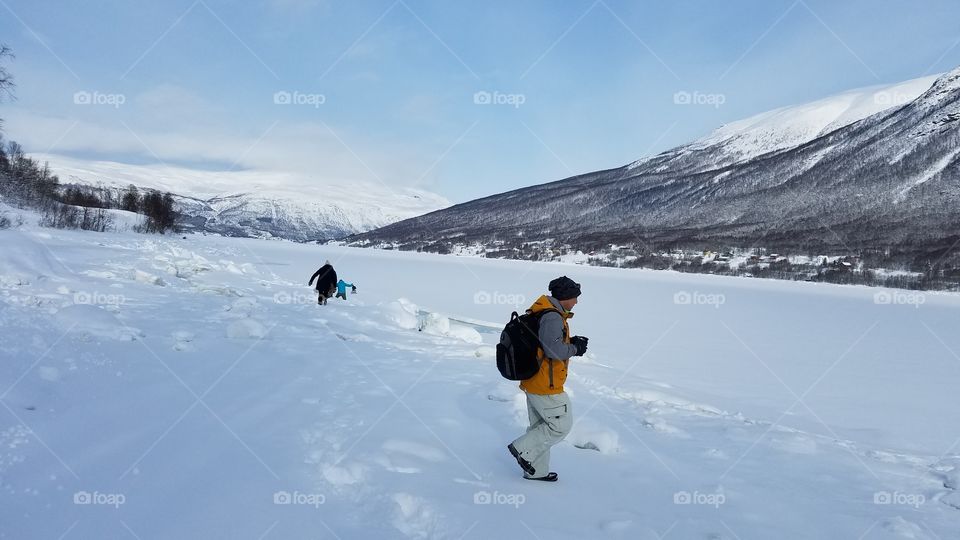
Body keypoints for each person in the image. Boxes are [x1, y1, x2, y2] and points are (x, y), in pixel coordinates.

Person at [507, 276, 588, 482]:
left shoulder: (542, 311)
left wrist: (570, 341)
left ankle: (536, 470)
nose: (577, 302)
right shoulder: (552, 317)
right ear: (565, 297)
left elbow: (545, 343)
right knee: (560, 426)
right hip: (546, 383)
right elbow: (553, 350)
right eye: (575, 297)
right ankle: (521, 449)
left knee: (539, 427)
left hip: (534, 380)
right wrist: (576, 348)